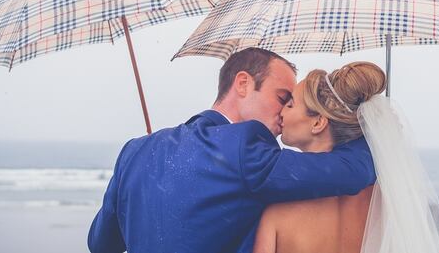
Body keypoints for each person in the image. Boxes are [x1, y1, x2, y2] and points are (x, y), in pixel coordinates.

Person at [87, 48, 376, 253]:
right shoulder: (246, 146)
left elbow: (102, 244)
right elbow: (349, 173)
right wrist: (361, 124)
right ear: (242, 83)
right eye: (282, 98)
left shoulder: (135, 151)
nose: (283, 113)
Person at [253, 62, 439, 253]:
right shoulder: (389, 204)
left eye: (290, 104)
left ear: (318, 123)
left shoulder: (276, 212)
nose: (281, 111)